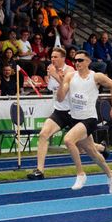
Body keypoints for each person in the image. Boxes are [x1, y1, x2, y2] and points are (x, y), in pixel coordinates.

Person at [59, 50, 112, 193]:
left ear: (88, 61)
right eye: (75, 60)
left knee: (68, 140)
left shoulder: (96, 76)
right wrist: (61, 82)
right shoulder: (70, 76)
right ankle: (111, 174)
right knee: (92, 151)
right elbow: (61, 97)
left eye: (80, 60)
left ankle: (80, 174)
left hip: (89, 119)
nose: (77, 63)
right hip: (75, 119)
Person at [25, 48, 75, 181]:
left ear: (63, 58)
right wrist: (51, 75)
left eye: (56, 57)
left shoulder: (70, 70)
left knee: (86, 146)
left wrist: (55, 75)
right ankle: (39, 170)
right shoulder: (50, 69)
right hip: (59, 112)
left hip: (74, 112)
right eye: (52, 57)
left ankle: (102, 148)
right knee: (43, 134)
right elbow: (53, 89)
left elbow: (69, 87)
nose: (53, 59)